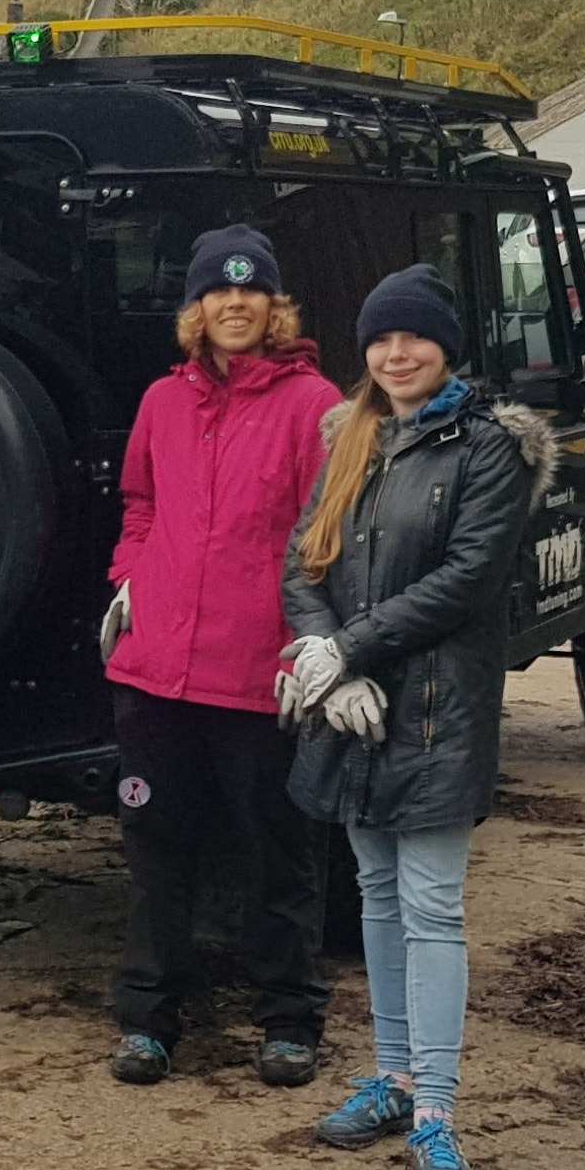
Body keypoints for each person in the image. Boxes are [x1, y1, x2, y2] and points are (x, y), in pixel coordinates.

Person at [280, 263, 547, 1170]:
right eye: (381, 340)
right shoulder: (348, 436)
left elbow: (468, 580)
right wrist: (317, 649)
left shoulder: (489, 449)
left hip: (434, 714)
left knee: (433, 909)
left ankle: (435, 1107)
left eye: (414, 338)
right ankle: (390, 1078)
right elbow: (303, 555)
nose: (396, 355)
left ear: (446, 345)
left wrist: (347, 648)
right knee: (376, 896)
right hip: (351, 710)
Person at [103, 226, 344, 1089]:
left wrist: (312, 642)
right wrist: (129, 581)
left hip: (258, 674)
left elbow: (330, 537)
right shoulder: (163, 403)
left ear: (274, 308)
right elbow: (138, 502)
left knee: (278, 852)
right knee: (155, 847)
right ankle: (149, 1019)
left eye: (250, 292)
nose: (233, 305)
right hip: (155, 669)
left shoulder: (314, 405)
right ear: (195, 309)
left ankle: (287, 1019)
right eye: (216, 292)